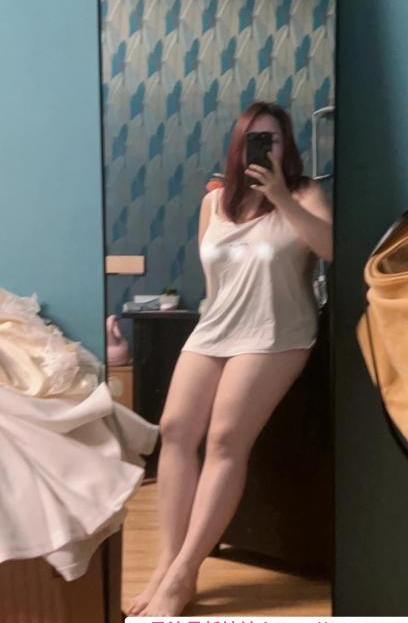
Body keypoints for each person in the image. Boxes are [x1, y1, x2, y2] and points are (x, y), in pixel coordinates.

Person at [127, 101, 333, 616]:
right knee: (174, 429)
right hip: (216, 327)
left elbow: (332, 248)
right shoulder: (213, 202)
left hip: (276, 331)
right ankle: (167, 561)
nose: (262, 148)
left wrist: (280, 197)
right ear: (238, 148)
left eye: (272, 139)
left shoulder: (305, 192)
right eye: (252, 140)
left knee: (224, 438)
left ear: (286, 146)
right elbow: (213, 279)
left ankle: (184, 573)